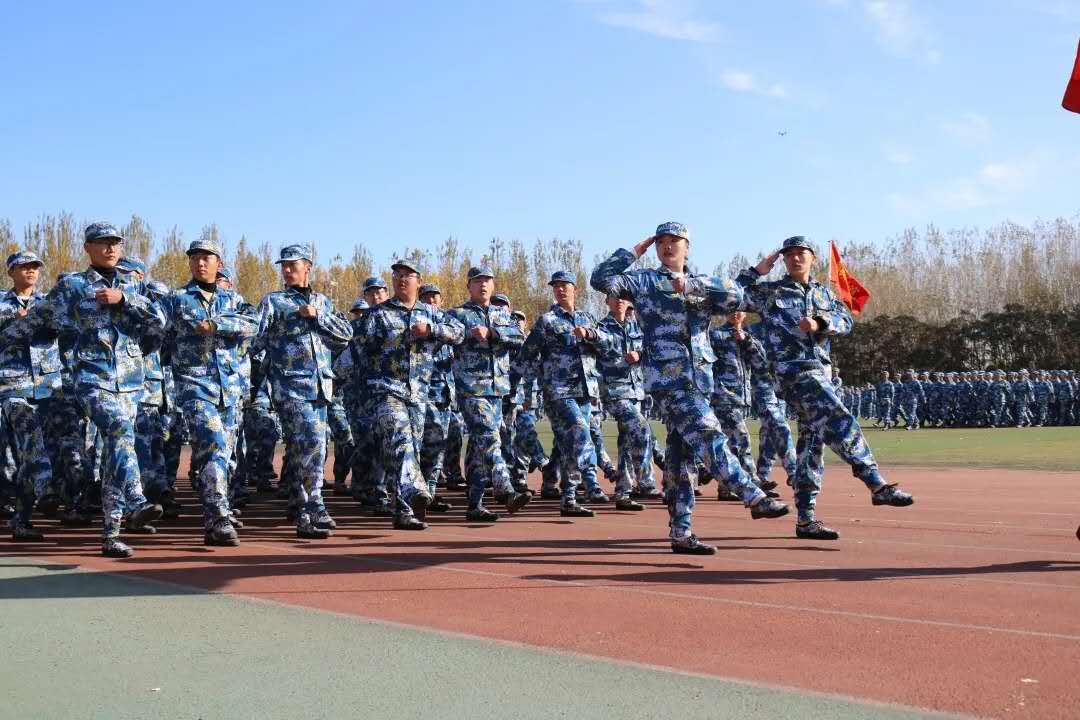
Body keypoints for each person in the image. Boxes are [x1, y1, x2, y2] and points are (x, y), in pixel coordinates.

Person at [591, 222, 788, 555]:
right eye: (662, 242)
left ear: (687, 247)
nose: (668, 246)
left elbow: (739, 296)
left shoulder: (702, 284)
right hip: (668, 379)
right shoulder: (643, 281)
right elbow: (600, 279)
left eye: (675, 241)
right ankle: (752, 494)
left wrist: (741, 275)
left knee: (681, 460)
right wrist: (634, 251)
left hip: (700, 380)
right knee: (709, 434)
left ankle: (681, 533)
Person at [736, 236, 914, 541]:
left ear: (812, 258)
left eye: (801, 253)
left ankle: (805, 520)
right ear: (783, 260)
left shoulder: (824, 294)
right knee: (839, 418)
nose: (795, 258)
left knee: (811, 446)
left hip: (821, 372)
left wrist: (821, 322)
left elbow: (846, 321)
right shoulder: (770, 292)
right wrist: (755, 271)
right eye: (789, 254)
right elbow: (733, 295)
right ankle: (875, 483)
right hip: (793, 372)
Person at [16, 223, 168, 557]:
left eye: (115, 243)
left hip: (130, 382)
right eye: (103, 243)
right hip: (91, 378)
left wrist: (125, 300)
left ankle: (112, 534)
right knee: (119, 429)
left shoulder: (132, 283)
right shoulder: (73, 286)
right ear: (88, 247)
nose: (110, 248)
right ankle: (136, 499)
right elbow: (36, 321)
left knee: (116, 450)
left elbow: (159, 321)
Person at [156, 239, 259, 546]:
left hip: (229, 389)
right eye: (195, 258)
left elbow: (253, 323)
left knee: (224, 456)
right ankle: (218, 516)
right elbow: (157, 333)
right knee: (213, 444)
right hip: (195, 386)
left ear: (219, 264)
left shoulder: (232, 299)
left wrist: (217, 325)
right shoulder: (176, 300)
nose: (200, 263)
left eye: (207, 258)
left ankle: (215, 514)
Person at [254, 244, 353, 539]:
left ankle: (304, 505)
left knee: (312, 446)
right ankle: (312, 507)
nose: (287, 270)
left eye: (293, 265)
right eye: (283, 266)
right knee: (310, 442)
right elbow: (254, 342)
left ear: (307, 267)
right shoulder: (273, 302)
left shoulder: (323, 302)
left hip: (320, 388)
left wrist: (317, 316)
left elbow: (345, 335)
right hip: (290, 387)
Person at [358, 259, 464, 530]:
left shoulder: (431, 313)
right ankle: (416, 489)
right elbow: (358, 348)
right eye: (397, 275)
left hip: (418, 394)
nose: (402, 279)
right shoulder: (379, 314)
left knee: (409, 451)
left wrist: (431, 331)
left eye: (408, 275)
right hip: (387, 390)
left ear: (419, 281)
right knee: (402, 439)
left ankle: (403, 512)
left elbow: (459, 332)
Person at [519, 271, 615, 517]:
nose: (560, 289)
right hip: (559, 391)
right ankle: (590, 482)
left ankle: (569, 498)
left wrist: (591, 335)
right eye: (556, 286)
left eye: (565, 285)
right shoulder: (547, 321)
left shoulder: (588, 318)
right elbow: (527, 354)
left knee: (569, 443)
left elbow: (608, 346)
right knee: (581, 430)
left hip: (585, 390)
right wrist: (526, 389)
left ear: (575, 289)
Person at [446, 267, 531, 521]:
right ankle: (506, 490)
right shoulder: (458, 314)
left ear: (493, 286)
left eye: (487, 281)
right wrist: (468, 334)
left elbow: (519, 336)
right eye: (477, 281)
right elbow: (448, 334)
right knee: (489, 437)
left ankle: (475, 504)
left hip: (497, 390)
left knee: (478, 447)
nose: (482, 285)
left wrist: (493, 333)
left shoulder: (502, 314)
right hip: (471, 388)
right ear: (469, 286)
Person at [0, 251, 61, 541]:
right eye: (24, 267)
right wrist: (13, 318)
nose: (31, 271)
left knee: (31, 454)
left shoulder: (48, 303)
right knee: (31, 437)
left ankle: (21, 520)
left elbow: (67, 327)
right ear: (11, 271)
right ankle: (46, 488)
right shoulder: (2, 303)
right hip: (12, 387)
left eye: (35, 267)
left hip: (47, 386)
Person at [595, 293, 654, 511]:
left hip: (636, 391)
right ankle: (646, 481)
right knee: (641, 428)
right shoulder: (601, 328)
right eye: (614, 297)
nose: (619, 300)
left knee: (627, 441)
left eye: (623, 297)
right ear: (607, 302)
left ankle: (623, 492)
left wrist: (640, 354)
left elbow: (651, 351)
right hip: (614, 391)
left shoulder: (637, 327)